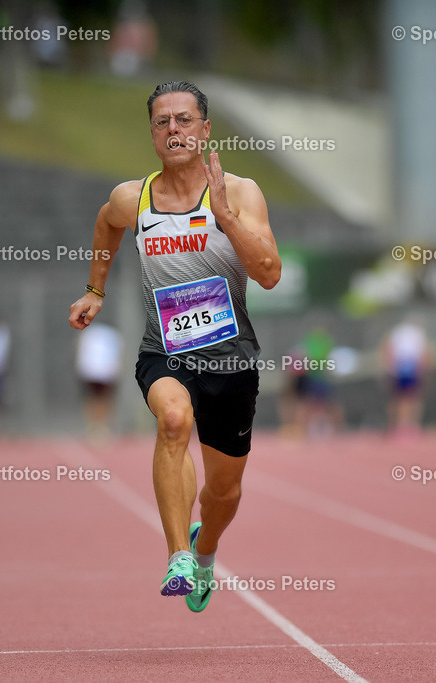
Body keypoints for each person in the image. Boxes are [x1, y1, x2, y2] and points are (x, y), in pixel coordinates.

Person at [68, 81, 281, 613]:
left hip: (231, 361)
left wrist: (225, 217)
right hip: (165, 352)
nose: (174, 130)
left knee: (224, 493)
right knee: (172, 421)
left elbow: (270, 274)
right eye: (163, 122)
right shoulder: (134, 198)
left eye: (184, 120)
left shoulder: (242, 193)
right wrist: (95, 289)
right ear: (152, 134)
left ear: (205, 130)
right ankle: (179, 555)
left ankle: (205, 547)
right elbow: (106, 222)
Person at [380, 315, 433, 435]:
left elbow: (387, 349)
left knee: (399, 398)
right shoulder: (418, 333)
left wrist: (388, 367)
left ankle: (399, 425)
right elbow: (425, 353)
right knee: (411, 398)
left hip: (401, 366)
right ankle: (409, 425)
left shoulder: (398, 332)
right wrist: (425, 369)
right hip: (410, 367)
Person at [75, 321, 122, 441]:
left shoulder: (90, 334)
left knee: (98, 400)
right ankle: (97, 427)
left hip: (96, 372)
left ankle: (98, 427)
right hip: (100, 372)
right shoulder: (110, 335)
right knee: (99, 400)